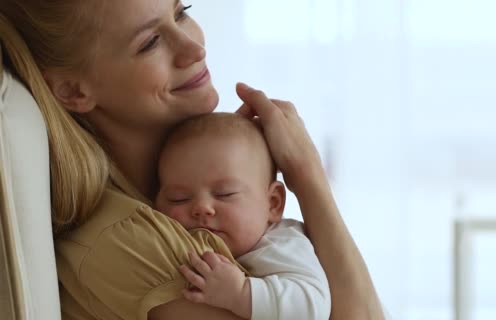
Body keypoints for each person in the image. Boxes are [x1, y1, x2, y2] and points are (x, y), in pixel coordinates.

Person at [0, 0, 384, 319]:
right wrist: (307, 174)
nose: (195, 48)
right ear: (72, 90)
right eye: (150, 42)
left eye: (181, 11)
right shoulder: (133, 245)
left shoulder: (175, 207)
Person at [155, 112, 331, 319]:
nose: (202, 208)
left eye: (225, 194)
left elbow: (312, 309)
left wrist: (240, 293)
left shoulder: (281, 245)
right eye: (179, 198)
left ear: (273, 203)